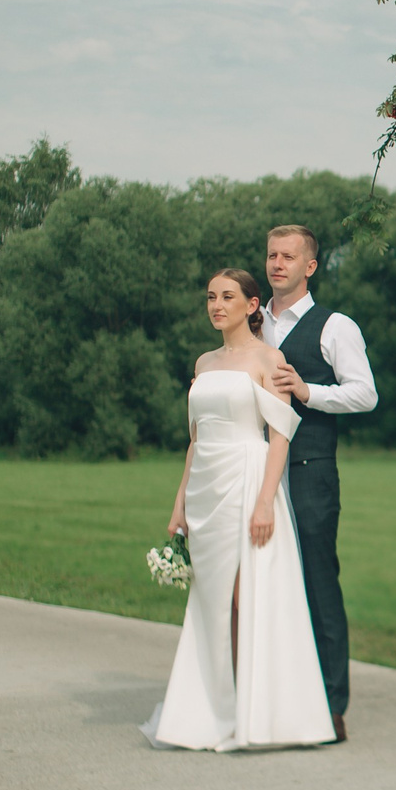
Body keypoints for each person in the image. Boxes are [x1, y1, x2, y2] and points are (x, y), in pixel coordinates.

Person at [142, 269, 335, 752]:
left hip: (248, 479)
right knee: (213, 602)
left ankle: (261, 712)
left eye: (227, 297)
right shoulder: (204, 363)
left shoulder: (270, 358)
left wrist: (266, 500)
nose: (216, 305)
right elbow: (195, 439)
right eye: (210, 297)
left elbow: (280, 436)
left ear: (252, 305)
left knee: (245, 596)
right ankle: (218, 707)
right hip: (206, 487)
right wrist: (179, 505)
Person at [257, 224, 377, 743]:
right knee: (267, 585)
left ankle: (331, 705)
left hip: (309, 473)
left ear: (310, 266)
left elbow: (365, 395)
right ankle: (270, 698)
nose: (277, 263)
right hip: (256, 473)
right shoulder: (254, 323)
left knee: (318, 584)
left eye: (289, 256)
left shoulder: (336, 327)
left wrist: (309, 390)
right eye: (271, 255)